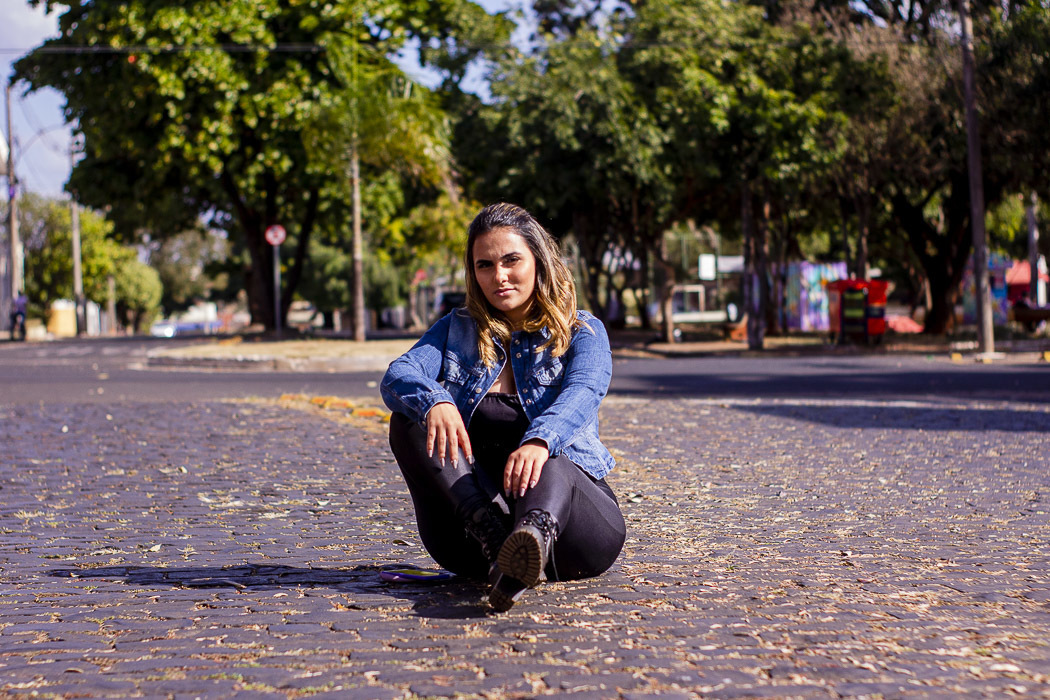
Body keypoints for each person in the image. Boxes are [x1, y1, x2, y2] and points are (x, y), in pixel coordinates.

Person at [380, 202, 626, 611]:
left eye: (512, 260)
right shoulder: (456, 329)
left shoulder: (582, 330)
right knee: (409, 418)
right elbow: (398, 374)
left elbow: (584, 390)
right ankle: (497, 542)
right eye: (485, 265)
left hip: (575, 535)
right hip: (474, 542)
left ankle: (528, 545)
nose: (499, 276)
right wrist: (435, 401)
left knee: (551, 458)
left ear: (538, 261)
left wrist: (540, 440)